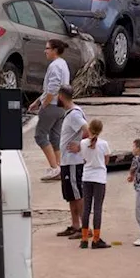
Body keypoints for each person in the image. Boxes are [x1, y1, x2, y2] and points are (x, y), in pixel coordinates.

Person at [27, 39, 71, 182]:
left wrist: (44, 103)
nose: (45, 51)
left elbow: (52, 87)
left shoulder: (54, 66)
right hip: (60, 106)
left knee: (40, 136)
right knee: (55, 137)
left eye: (47, 48)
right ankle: (59, 166)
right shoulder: (63, 64)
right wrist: (38, 101)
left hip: (51, 105)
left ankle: (54, 167)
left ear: (54, 50)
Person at [56, 85, 89, 239]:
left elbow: (88, 130)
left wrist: (79, 145)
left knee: (77, 194)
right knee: (70, 195)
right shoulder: (69, 114)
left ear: (61, 96)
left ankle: (85, 227)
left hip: (73, 162)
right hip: (67, 162)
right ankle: (75, 225)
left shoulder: (74, 115)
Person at [79, 119, 111, 249]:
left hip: (87, 176)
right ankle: (96, 239)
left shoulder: (83, 143)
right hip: (99, 178)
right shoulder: (104, 144)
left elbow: (84, 158)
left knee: (86, 207)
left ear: (89, 129)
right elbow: (106, 161)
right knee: (97, 208)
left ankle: (84, 238)